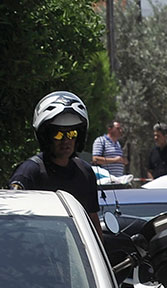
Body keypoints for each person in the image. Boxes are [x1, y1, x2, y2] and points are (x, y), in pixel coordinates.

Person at [8, 91, 100, 231]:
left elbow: (93, 221)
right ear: (45, 137)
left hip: (74, 251)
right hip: (37, 249)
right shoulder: (29, 172)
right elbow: (12, 222)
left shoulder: (85, 172)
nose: (65, 141)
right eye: (58, 134)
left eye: (71, 134)